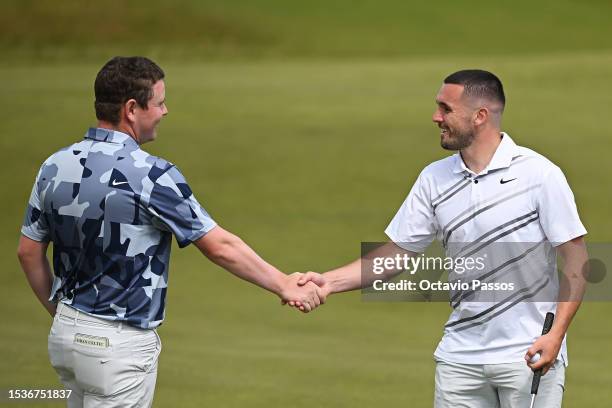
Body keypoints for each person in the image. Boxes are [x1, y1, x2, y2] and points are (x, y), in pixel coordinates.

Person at [17, 56, 325, 408]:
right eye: (160, 102)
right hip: (116, 348)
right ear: (132, 108)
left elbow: (28, 252)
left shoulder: (54, 164)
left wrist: (64, 318)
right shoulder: (151, 175)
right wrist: (283, 283)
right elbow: (219, 245)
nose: (165, 111)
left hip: (66, 336)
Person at [293, 70, 588, 407]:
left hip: (526, 355)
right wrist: (327, 282)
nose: (436, 117)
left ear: (480, 116)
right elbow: (397, 254)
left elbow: (577, 260)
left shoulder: (540, 174)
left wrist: (555, 336)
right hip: (459, 358)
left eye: (446, 109)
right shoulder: (434, 178)